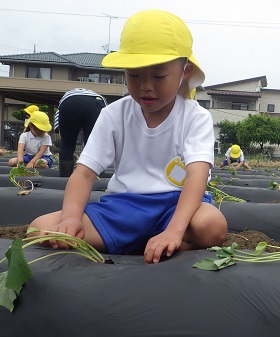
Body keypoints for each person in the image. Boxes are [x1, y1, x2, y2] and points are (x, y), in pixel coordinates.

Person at [27, 9, 227, 264]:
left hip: (175, 207)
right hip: (124, 209)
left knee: (212, 225)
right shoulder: (114, 114)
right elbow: (85, 173)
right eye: (134, 75)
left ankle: (157, 240)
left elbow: (197, 176)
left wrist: (175, 230)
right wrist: (71, 219)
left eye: (158, 75)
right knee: (39, 227)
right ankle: (149, 242)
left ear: (184, 71)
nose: (146, 86)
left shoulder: (195, 117)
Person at [54, 88, 108, 177]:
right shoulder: (100, 98)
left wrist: (68, 149)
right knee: (94, 147)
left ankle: (64, 179)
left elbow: (59, 126)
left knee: (67, 146)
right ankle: (97, 179)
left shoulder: (66, 97)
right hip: (96, 103)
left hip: (70, 102)